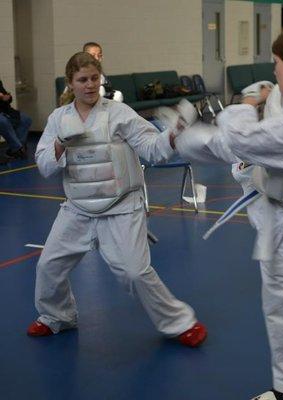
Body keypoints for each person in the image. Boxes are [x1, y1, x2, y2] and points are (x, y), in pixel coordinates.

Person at [173, 25, 283, 399]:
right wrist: (273, 96)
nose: (272, 71)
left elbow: (238, 141)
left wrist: (244, 105)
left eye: (275, 64)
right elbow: (277, 126)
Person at [27, 52, 207, 348]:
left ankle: (180, 323)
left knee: (135, 272)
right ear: (70, 83)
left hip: (121, 206)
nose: (89, 85)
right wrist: (60, 144)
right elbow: (45, 166)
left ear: (101, 79)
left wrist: (172, 136)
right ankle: (56, 317)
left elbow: (152, 149)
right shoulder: (58, 119)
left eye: (94, 79)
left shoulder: (119, 114)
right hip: (78, 209)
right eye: (82, 80)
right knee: (49, 265)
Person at [0, 79, 31, 159]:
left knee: (25, 119)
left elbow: (8, 97)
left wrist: (8, 97)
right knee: (3, 122)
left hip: (5, 110)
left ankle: (15, 149)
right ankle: (18, 148)